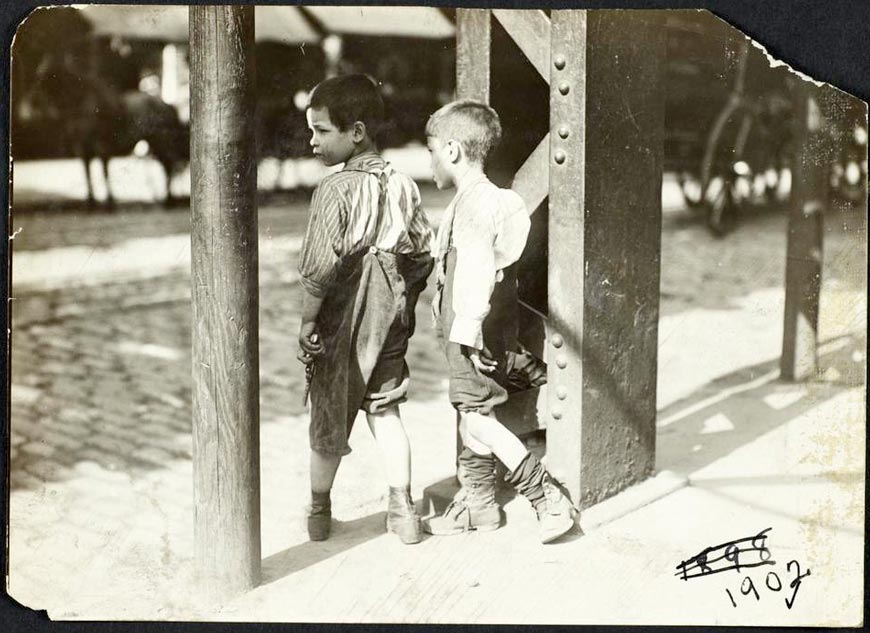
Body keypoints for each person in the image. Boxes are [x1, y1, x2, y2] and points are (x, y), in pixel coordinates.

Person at [423, 99, 575, 544]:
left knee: (478, 419)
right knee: (472, 415)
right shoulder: (493, 202)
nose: (429, 159)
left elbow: (472, 272)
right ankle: (480, 505)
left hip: (470, 329)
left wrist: (466, 333)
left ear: (451, 151)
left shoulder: (471, 208)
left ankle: (545, 496)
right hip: (485, 323)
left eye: (431, 150)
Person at [297, 74, 434, 545]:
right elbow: (421, 253)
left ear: (356, 132)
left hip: (342, 319)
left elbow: (318, 268)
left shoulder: (334, 190)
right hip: (389, 316)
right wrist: (400, 304)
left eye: (321, 131)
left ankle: (319, 512)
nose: (312, 141)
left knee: (328, 413)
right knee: (386, 410)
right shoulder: (404, 184)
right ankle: (403, 510)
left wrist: (308, 321)